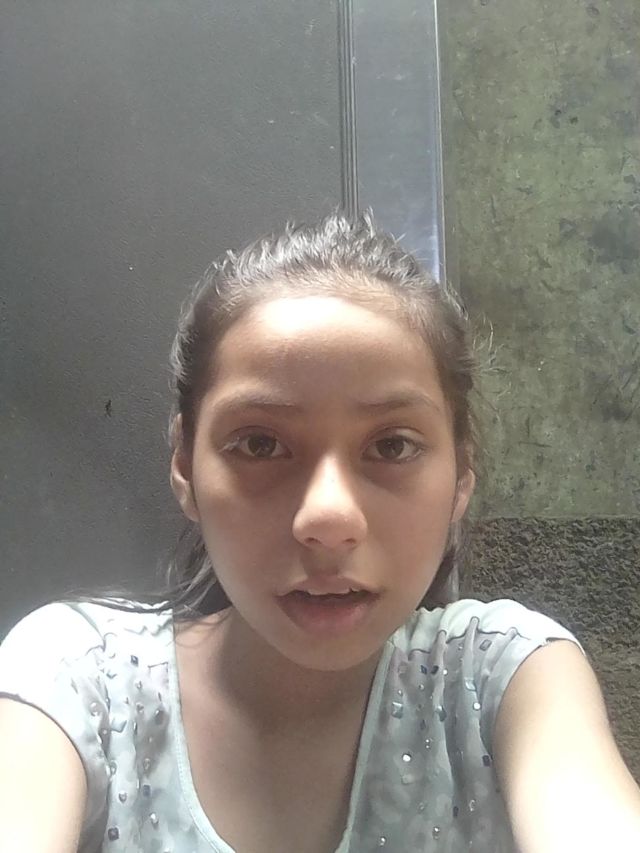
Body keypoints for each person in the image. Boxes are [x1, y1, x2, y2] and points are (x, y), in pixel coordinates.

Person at [1, 211, 639, 853]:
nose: (328, 519)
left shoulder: (505, 677)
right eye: (259, 444)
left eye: (392, 445)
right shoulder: (78, 678)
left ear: (461, 476)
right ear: (185, 466)